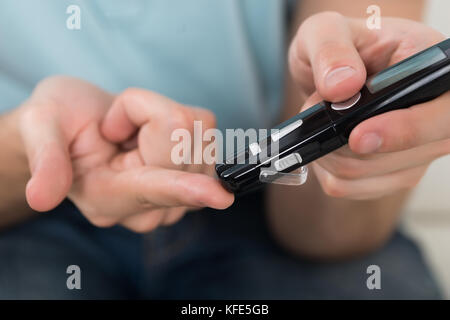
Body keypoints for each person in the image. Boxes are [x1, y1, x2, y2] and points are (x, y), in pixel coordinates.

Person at [0, 0, 447, 299]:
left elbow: (319, 234)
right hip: (27, 217)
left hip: (270, 211)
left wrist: (358, 157)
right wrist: (31, 147)